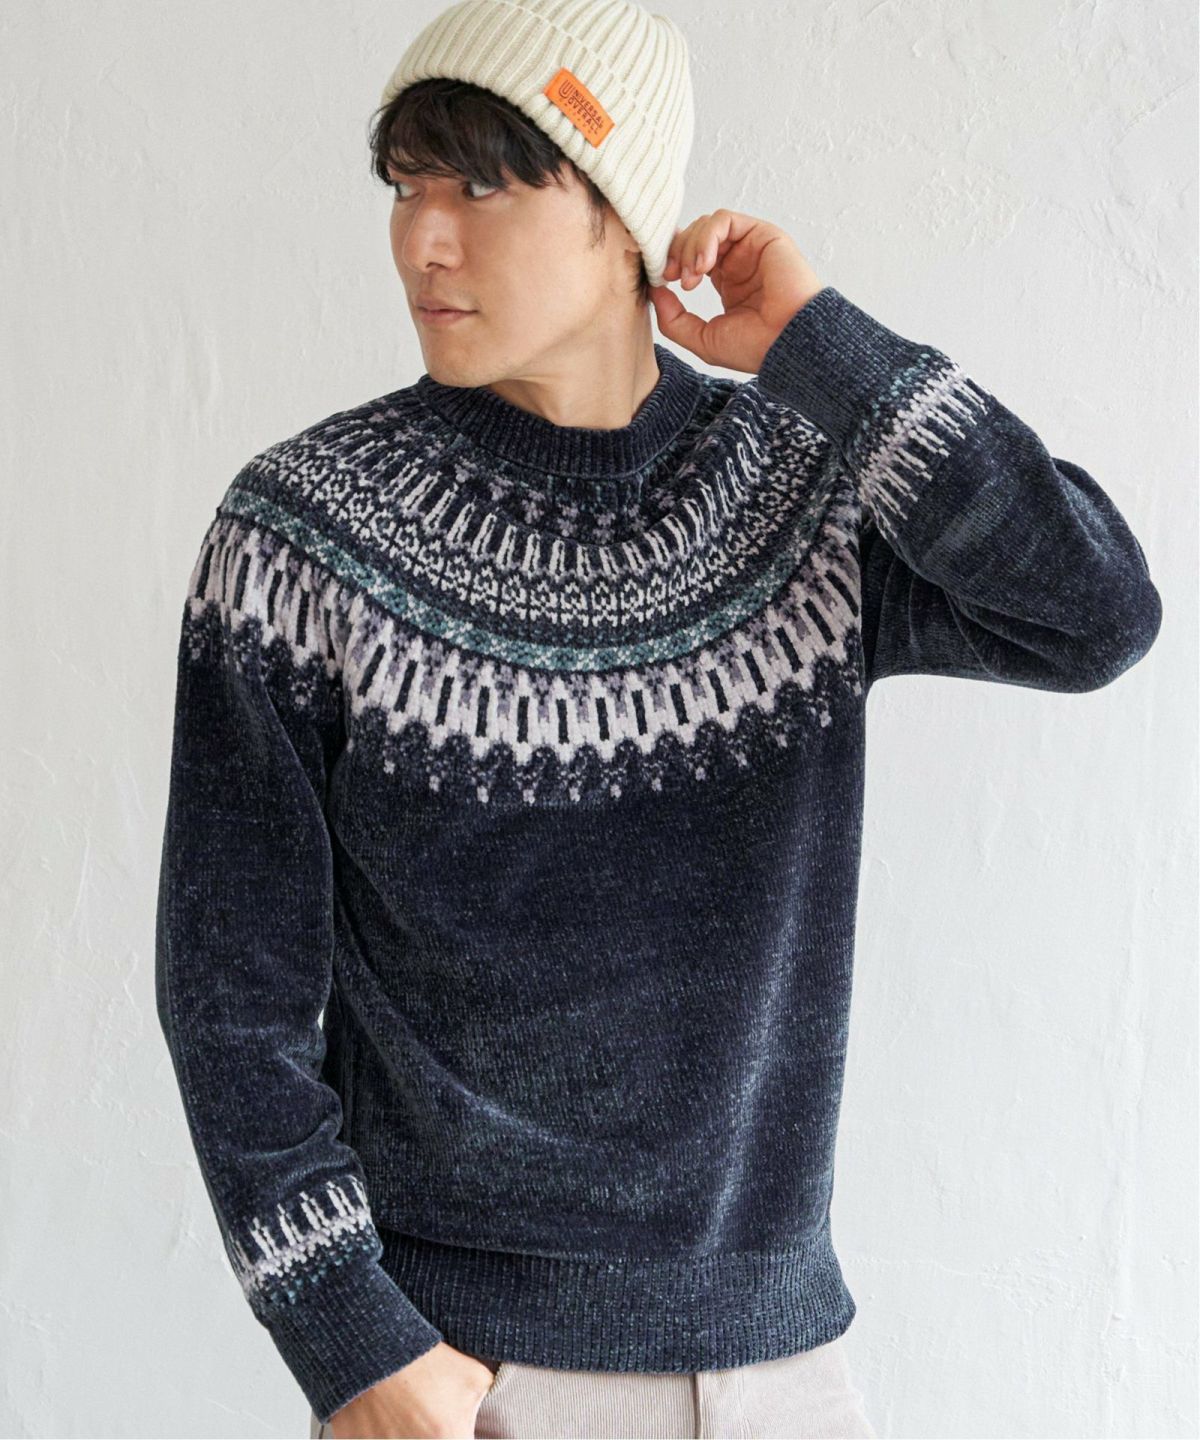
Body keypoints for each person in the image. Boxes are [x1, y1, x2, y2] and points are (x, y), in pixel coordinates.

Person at [153, 1, 1163, 1437]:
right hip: (468, 1368)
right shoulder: (306, 533)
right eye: (407, 186)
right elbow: (229, 991)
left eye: (482, 185)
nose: (422, 239)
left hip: (782, 1367)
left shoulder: (799, 495)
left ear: (626, 221)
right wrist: (353, 1342)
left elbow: (1095, 613)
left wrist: (822, 348)